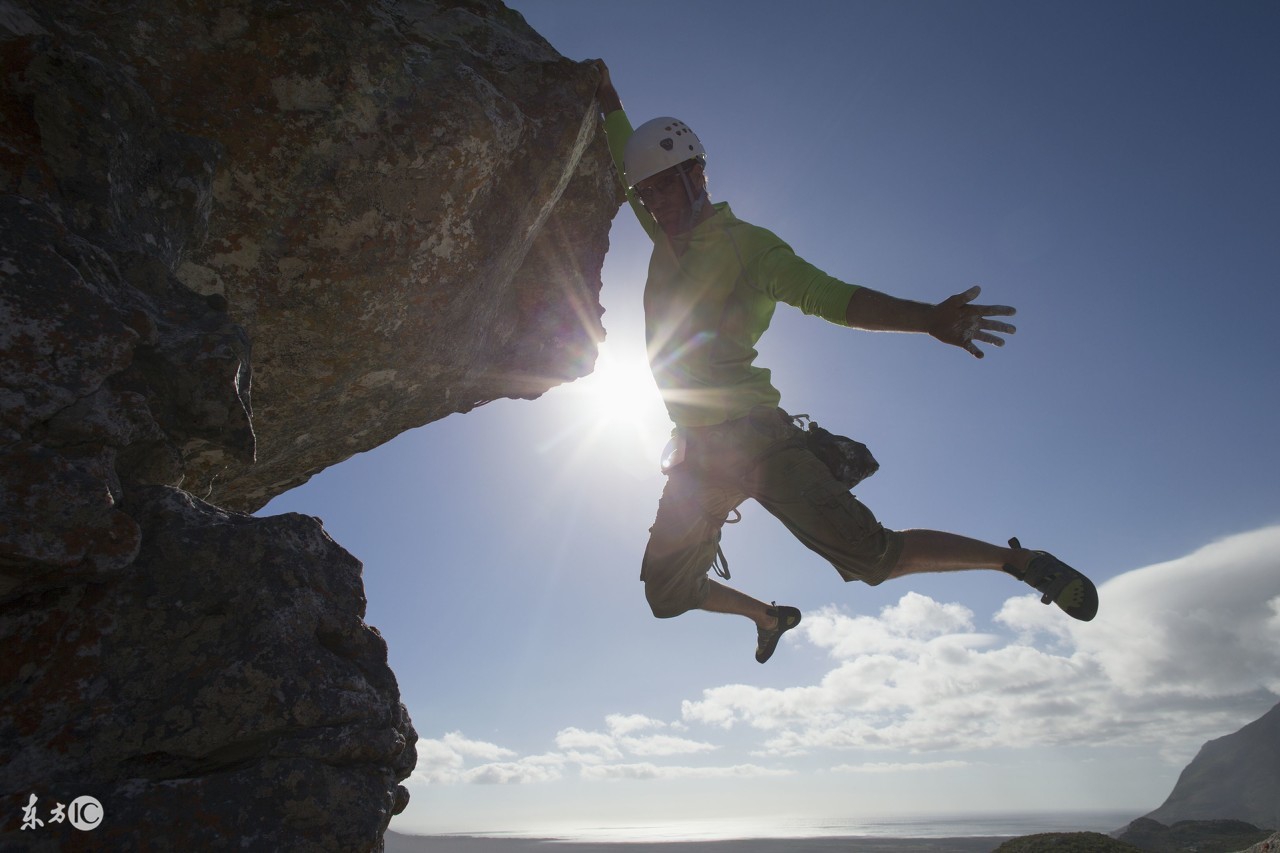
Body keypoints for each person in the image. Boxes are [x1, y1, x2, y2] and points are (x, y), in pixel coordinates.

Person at [593, 62, 1097, 664]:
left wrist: (926, 318)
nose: (655, 203)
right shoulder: (663, 230)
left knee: (872, 559)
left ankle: (1018, 560)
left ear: (698, 174)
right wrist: (608, 97)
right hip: (696, 454)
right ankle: (769, 616)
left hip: (758, 440)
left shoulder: (746, 246)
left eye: (666, 188)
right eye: (647, 193)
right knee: (666, 593)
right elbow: (630, 159)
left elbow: (833, 298)